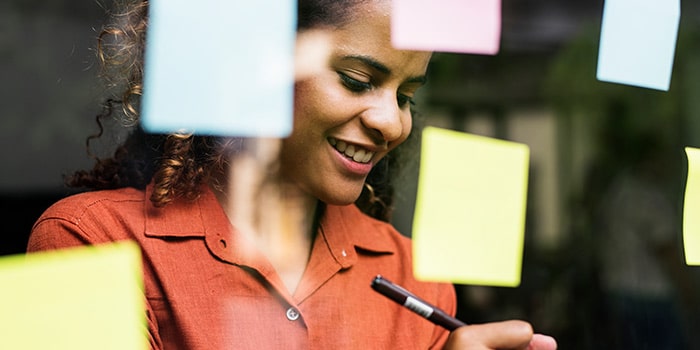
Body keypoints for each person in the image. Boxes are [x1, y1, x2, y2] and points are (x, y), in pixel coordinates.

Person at [28, 0, 556, 349]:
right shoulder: (86, 243)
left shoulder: (415, 278)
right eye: (356, 80)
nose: (392, 121)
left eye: (406, 96)